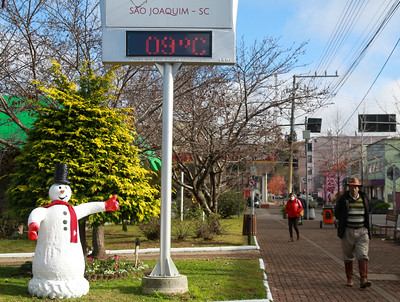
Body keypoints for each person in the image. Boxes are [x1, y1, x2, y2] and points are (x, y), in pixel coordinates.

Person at [334, 177, 371, 289]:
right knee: (348, 256)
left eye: (356, 186)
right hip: (348, 231)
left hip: (362, 231)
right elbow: (337, 213)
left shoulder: (364, 198)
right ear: (348, 187)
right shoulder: (343, 199)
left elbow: (368, 213)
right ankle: (349, 278)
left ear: (359, 187)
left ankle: (363, 279)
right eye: (351, 186)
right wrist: (343, 222)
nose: (354, 188)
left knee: (363, 255)